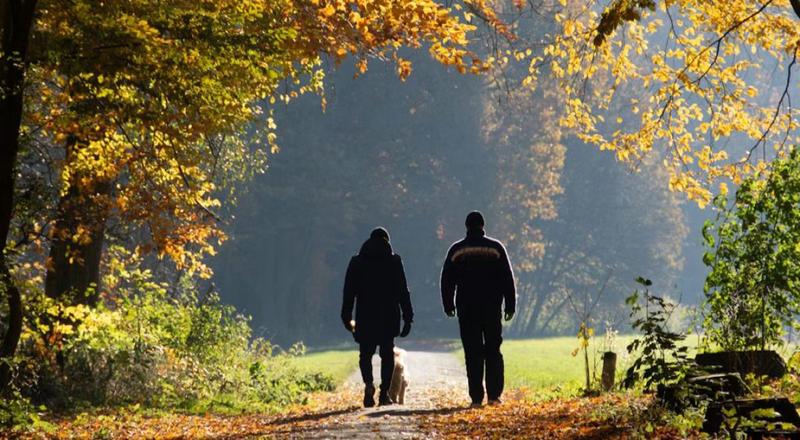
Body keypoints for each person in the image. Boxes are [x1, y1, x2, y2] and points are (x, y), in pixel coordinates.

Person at [440, 211, 516, 407]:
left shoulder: (457, 250)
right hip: (492, 307)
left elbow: (447, 280)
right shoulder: (496, 248)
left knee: (472, 352)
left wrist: (448, 304)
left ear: (466, 226)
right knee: (493, 350)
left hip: (467, 308)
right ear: (483, 225)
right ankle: (494, 396)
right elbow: (507, 278)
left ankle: (476, 397)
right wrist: (510, 305)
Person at [341, 227, 413, 407]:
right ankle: (384, 393)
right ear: (387, 241)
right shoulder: (394, 261)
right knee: (387, 354)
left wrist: (346, 316)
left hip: (365, 315)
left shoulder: (357, 262)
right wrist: (408, 317)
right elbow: (403, 291)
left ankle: (368, 385)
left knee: (365, 354)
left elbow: (349, 292)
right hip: (389, 315)